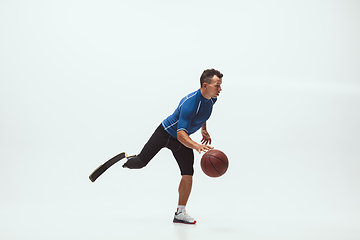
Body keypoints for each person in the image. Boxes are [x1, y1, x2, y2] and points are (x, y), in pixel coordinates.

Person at [122, 68, 223, 224]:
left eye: (220, 85)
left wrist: (204, 129)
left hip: (181, 141)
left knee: (188, 174)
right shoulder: (190, 103)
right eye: (217, 85)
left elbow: (203, 114)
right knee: (140, 163)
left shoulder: (212, 99)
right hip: (165, 134)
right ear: (205, 85)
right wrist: (196, 145)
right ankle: (126, 159)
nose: (220, 89)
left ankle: (180, 213)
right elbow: (180, 134)